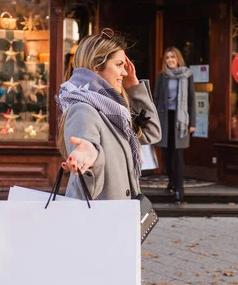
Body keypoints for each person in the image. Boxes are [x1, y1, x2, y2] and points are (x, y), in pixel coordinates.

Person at [56, 28, 161, 201]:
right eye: (119, 65)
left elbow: (151, 133)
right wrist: (91, 156)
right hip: (103, 221)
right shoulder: (83, 110)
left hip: (120, 216)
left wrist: (134, 88)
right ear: (97, 67)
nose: (125, 72)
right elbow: (85, 184)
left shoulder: (115, 111)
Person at [153, 46, 196, 204]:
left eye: (172, 57)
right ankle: (171, 181)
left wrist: (192, 122)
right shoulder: (162, 76)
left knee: (177, 156)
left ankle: (179, 190)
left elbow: (191, 99)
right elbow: (156, 99)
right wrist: (154, 120)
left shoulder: (187, 75)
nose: (170, 60)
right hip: (164, 119)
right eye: (167, 58)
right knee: (166, 155)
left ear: (178, 59)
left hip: (180, 120)